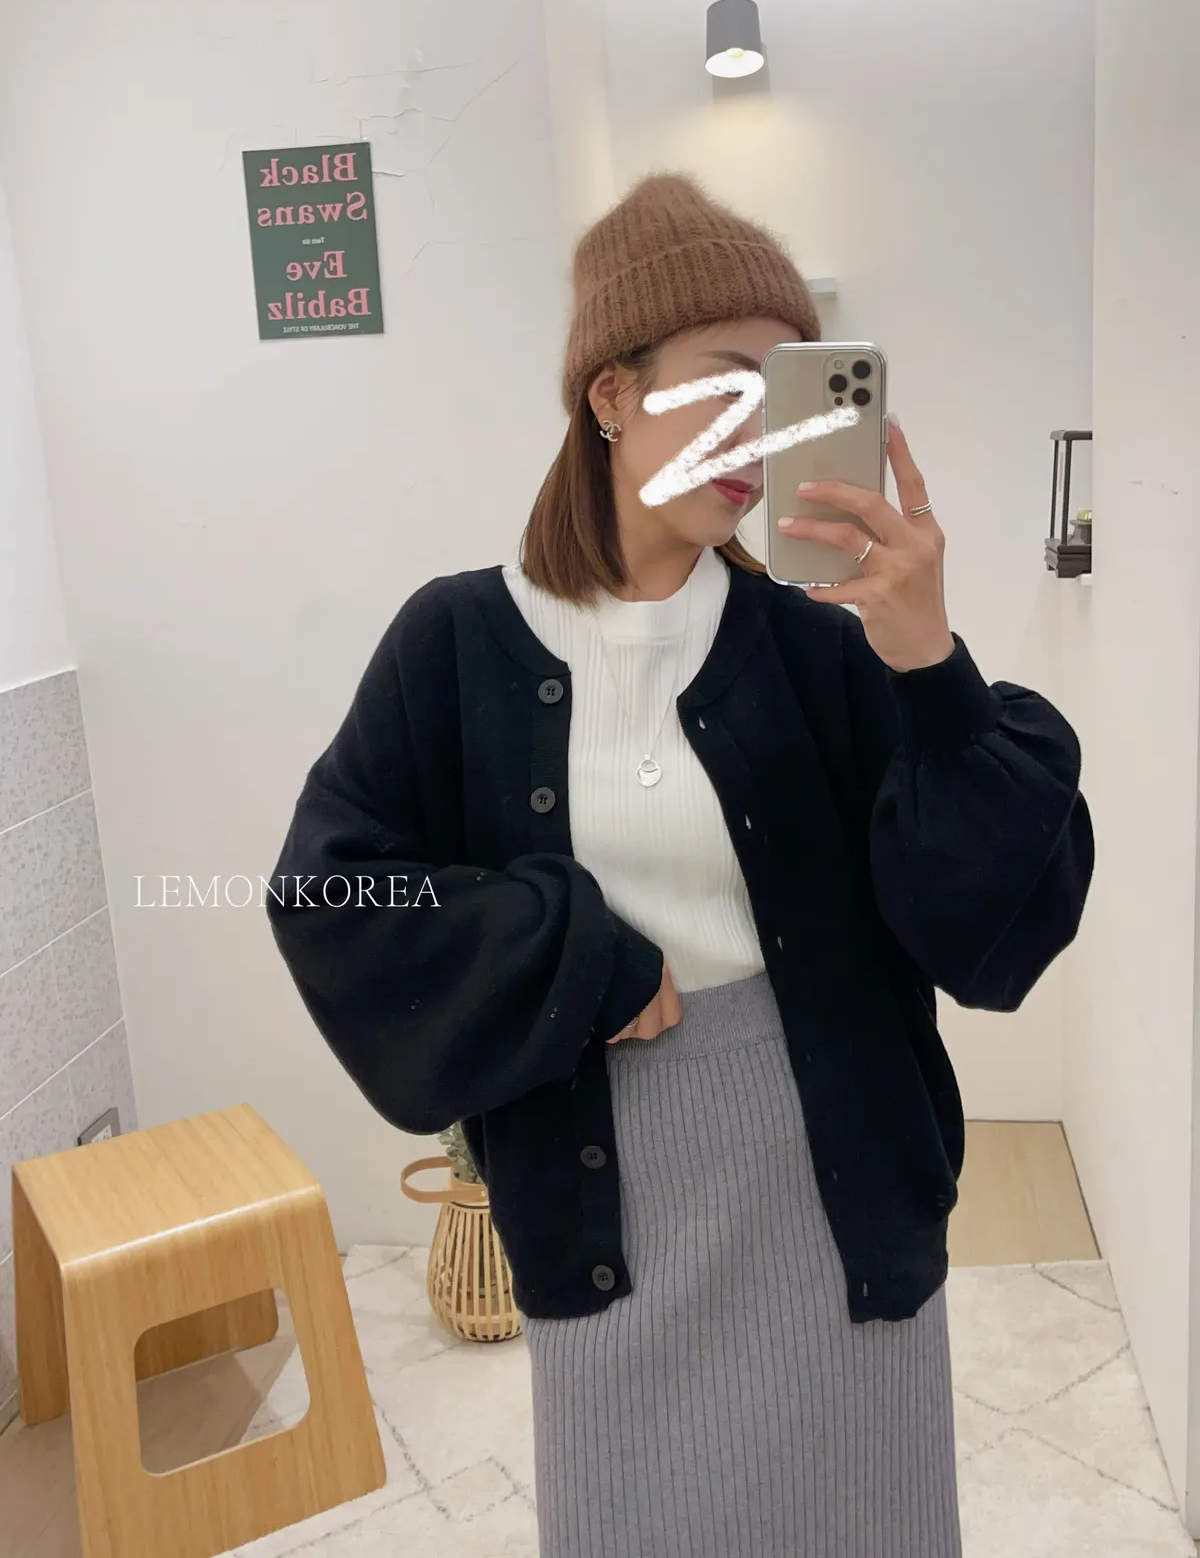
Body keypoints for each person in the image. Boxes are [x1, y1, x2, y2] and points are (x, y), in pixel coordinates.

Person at [266, 173, 1094, 1558]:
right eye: (723, 382)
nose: (759, 435)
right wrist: (572, 953)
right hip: (605, 1198)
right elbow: (334, 891)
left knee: (863, 1521)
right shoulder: (454, 643)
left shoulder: (820, 646)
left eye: (788, 393)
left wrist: (931, 668)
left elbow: (989, 927)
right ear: (611, 392)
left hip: (829, 1183)